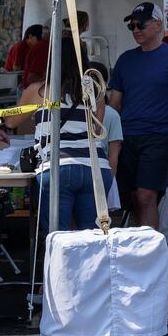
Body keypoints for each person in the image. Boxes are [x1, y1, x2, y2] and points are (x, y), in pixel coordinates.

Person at [107, 2, 168, 232]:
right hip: (126, 138)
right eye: (131, 25)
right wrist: (107, 141)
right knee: (131, 197)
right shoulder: (125, 60)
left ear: (157, 24)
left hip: (158, 136)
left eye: (140, 24)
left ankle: (150, 255)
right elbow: (114, 104)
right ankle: (142, 246)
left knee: (145, 195)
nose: (135, 29)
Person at [32, 47, 112, 232]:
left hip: (57, 166)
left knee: (57, 235)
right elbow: (96, 128)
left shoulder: (40, 90)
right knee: (92, 238)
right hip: (96, 168)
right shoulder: (94, 90)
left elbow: (11, 120)